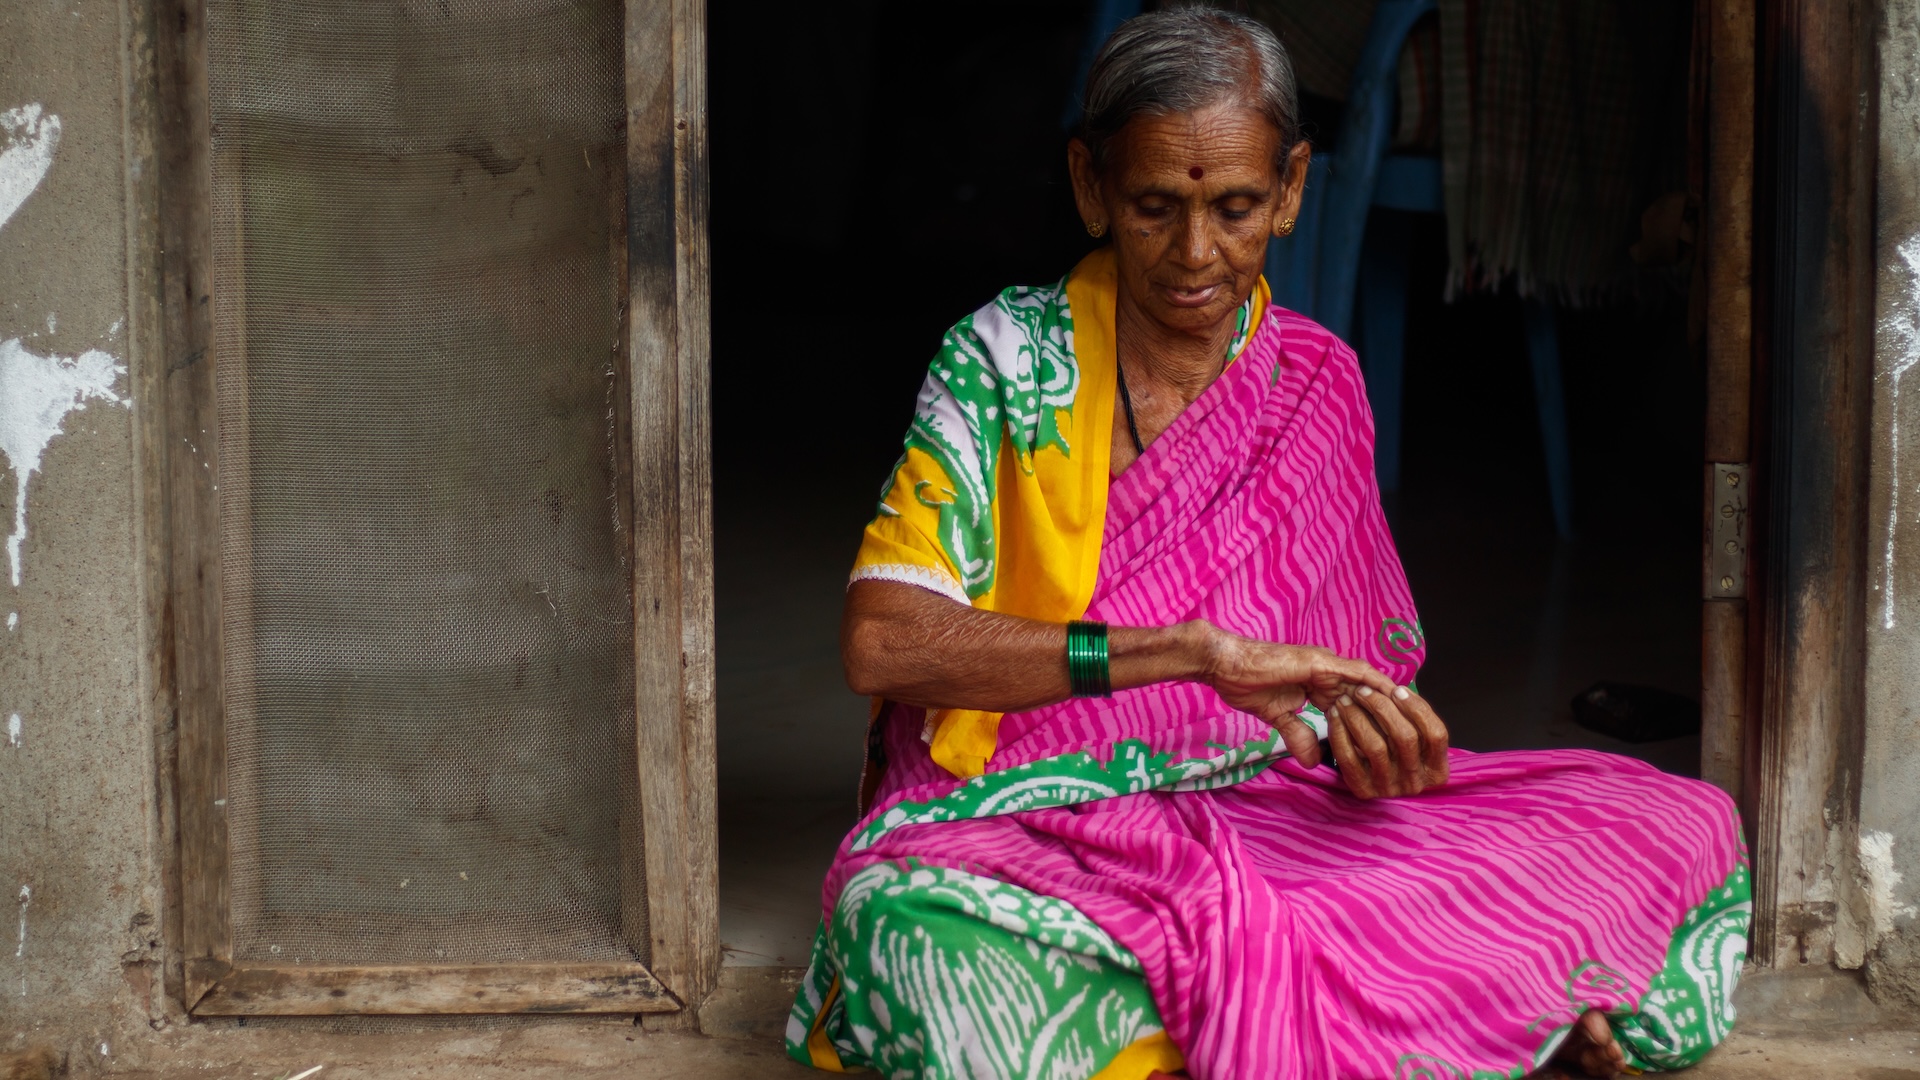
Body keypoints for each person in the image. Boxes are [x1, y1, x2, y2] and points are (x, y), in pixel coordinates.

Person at [784, 8, 1747, 1079]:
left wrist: (1374, 742)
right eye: (1155, 207)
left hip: (1262, 805)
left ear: (1292, 188)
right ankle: (1448, 1010)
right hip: (1021, 817)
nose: (1197, 255)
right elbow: (885, 644)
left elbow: (1349, 691)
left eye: (1236, 207)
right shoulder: (1002, 362)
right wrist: (1187, 652)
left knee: (1672, 817)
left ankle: (1268, 1014)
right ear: (1088, 185)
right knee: (907, 925)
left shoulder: (1317, 380)